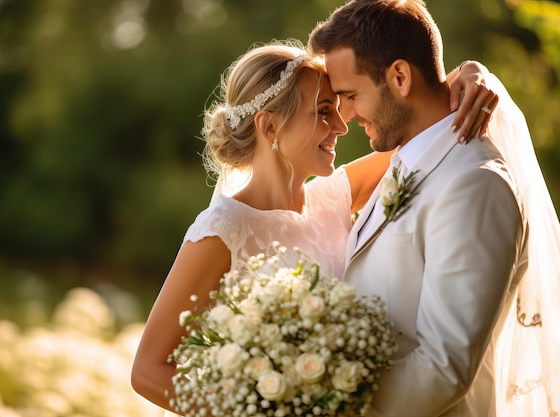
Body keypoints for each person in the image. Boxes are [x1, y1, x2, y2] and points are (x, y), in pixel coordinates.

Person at [130, 39, 498, 414]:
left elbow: (426, 131)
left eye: (338, 108)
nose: (342, 125)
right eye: (324, 112)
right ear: (270, 126)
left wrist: (472, 74)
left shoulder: (334, 196)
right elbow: (147, 370)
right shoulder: (223, 229)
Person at [308, 1, 560, 416]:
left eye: (351, 96)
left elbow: (444, 368)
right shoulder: (411, 161)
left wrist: (326, 405)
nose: (346, 114)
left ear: (400, 76)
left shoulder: (474, 183)